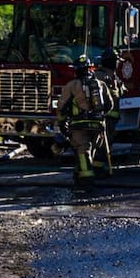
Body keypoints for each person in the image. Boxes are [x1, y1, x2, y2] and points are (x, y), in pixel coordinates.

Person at [55, 55, 112, 190]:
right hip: (97, 126)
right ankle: (79, 176)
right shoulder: (101, 85)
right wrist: (99, 116)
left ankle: (86, 180)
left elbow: (61, 108)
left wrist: (62, 124)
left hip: (79, 126)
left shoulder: (72, 86)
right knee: (89, 151)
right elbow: (109, 105)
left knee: (82, 151)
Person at [98, 48, 124, 162]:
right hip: (104, 118)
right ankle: (98, 169)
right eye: (116, 60)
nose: (118, 63)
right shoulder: (99, 76)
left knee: (107, 144)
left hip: (112, 119)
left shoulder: (114, 77)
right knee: (102, 145)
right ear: (111, 61)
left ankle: (102, 167)